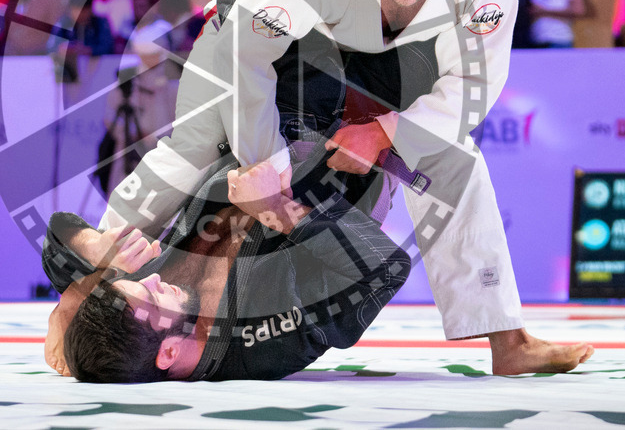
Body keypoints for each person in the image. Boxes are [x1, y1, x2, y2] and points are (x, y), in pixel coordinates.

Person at [98, 0, 594, 374]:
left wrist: (383, 132)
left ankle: (508, 340)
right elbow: (245, 56)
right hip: (311, 43)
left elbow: (472, 86)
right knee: (199, 143)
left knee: (453, 156)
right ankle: (88, 286)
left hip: (399, 61)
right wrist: (266, 170)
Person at [45, 155, 412, 381]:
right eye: (152, 295)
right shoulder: (268, 345)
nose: (151, 278)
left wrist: (83, 278)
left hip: (268, 108)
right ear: (168, 353)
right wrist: (273, 207)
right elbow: (385, 268)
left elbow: (57, 236)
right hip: (356, 138)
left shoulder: (143, 304)